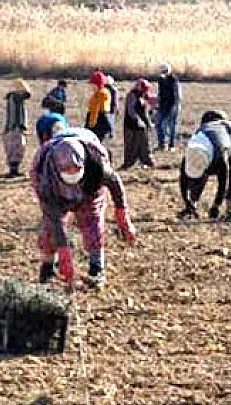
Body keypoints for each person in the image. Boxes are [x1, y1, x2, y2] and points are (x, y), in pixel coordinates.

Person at [31, 128, 136, 288]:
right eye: (67, 170)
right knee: (49, 229)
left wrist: (122, 216)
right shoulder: (45, 179)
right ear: (58, 168)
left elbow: (115, 185)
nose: (72, 173)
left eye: (77, 169)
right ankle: (48, 268)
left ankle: (96, 268)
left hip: (89, 189)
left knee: (92, 221)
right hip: (56, 194)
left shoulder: (96, 165)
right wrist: (64, 254)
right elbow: (55, 221)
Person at [178, 110, 231, 220]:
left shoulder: (221, 155)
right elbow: (183, 181)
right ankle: (193, 204)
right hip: (210, 138)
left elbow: (223, 182)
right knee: (199, 176)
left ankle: (230, 208)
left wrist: (216, 205)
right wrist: (188, 202)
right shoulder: (192, 150)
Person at [119, 78, 155, 170]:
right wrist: (138, 121)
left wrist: (149, 123)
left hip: (142, 127)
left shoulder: (143, 96)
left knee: (145, 145)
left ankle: (147, 162)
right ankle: (129, 164)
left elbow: (145, 112)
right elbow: (131, 111)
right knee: (131, 146)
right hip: (131, 126)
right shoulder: (132, 95)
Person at [2, 78, 32, 177]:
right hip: (15, 128)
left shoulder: (15, 99)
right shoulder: (15, 99)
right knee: (16, 148)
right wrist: (16, 127)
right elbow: (14, 115)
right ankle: (13, 171)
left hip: (14, 128)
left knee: (16, 149)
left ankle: (14, 169)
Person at [154, 63, 182, 151]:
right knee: (158, 124)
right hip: (163, 105)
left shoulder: (174, 80)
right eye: (162, 71)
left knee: (172, 126)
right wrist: (157, 103)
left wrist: (175, 107)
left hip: (173, 105)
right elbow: (160, 93)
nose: (163, 73)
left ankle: (171, 145)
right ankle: (161, 145)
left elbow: (177, 95)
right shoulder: (160, 80)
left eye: (165, 71)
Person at [85, 71, 113, 142]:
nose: (91, 86)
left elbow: (102, 112)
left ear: (98, 84)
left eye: (93, 84)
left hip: (99, 124)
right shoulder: (96, 94)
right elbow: (92, 111)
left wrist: (110, 128)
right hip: (94, 123)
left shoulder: (102, 94)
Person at [104, 74, 120, 142]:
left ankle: (111, 133)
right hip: (111, 107)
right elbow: (116, 100)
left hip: (109, 107)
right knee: (111, 121)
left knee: (110, 121)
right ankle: (111, 133)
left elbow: (115, 100)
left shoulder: (109, 89)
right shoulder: (114, 89)